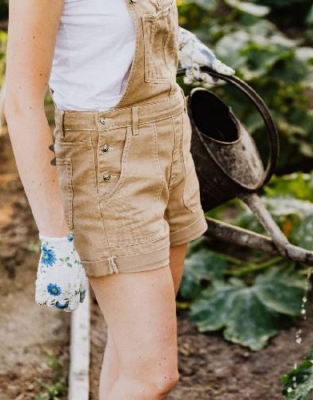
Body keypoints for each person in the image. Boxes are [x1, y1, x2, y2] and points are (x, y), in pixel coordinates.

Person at [4, 0, 234, 398]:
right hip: (107, 162)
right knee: (154, 375)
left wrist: (173, 42)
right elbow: (20, 101)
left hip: (168, 143)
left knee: (133, 358)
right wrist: (55, 238)